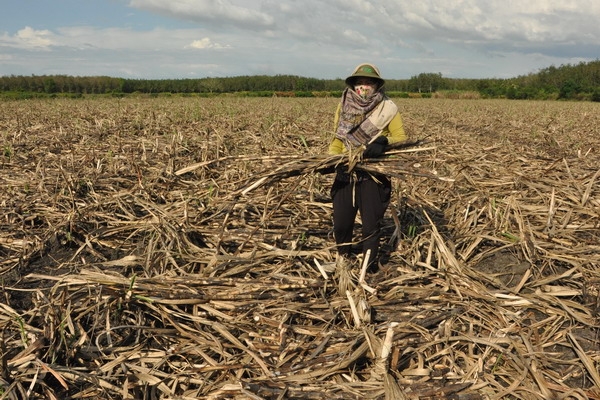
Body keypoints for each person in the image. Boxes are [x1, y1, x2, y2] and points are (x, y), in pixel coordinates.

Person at [328, 63, 407, 270]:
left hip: (374, 174)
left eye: (369, 82)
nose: (364, 86)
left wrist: (383, 142)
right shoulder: (343, 105)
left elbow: (400, 137)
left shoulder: (387, 108)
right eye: (360, 82)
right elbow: (337, 140)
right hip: (347, 172)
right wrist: (333, 161)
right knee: (342, 223)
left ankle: (369, 268)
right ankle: (343, 260)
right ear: (354, 85)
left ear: (376, 85)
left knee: (371, 226)